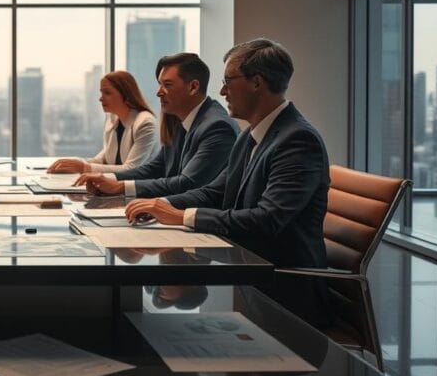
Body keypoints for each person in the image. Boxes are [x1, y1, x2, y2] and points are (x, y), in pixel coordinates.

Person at [124, 39, 332, 326]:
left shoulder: (297, 140)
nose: (222, 91)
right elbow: (216, 191)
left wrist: (181, 216)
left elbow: (266, 219)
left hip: (280, 288)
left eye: (228, 81)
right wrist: (161, 206)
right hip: (247, 271)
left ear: (256, 82)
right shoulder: (251, 136)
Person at [74, 53, 238, 198]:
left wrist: (120, 187)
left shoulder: (217, 127)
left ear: (193, 87)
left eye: (167, 85)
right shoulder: (181, 121)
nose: (158, 92)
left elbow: (187, 184)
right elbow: (155, 168)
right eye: (160, 84)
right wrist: (109, 180)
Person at [47, 70, 158, 174]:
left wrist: (85, 167)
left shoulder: (145, 123)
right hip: (115, 186)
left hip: (140, 191)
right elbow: (103, 158)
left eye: (107, 93)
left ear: (126, 94)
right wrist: (72, 165)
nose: (100, 98)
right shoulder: (113, 119)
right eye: (101, 92)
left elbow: (132, 169)